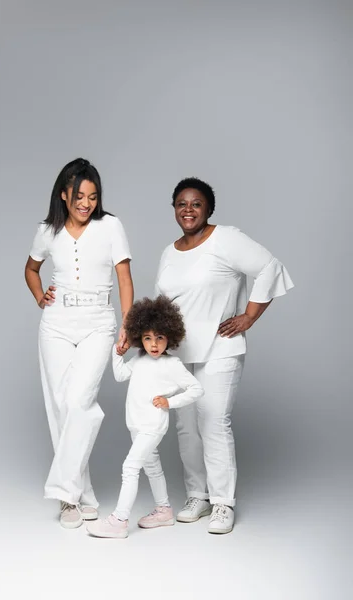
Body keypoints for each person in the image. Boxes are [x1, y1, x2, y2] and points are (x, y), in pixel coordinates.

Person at [155, 177, 294, 534]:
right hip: (178, 353)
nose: (188, 209)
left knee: (213, 422)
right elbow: (162, 304)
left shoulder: (225, 238)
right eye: (182, 203)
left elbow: (268, 267)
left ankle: (222, 503)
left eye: (196, 203)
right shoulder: (169, 253)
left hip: (220, 349)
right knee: (186, 429)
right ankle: (197, 496)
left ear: (208, 209)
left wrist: (249, 316)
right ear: (174, 209)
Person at [24, 158, 134, 529]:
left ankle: (63, 492)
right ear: (63, 195)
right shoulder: (47, 230)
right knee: (61, 407)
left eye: (93, 196)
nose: (86, 203)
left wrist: (128, 323)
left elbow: (124, 279)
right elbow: (31, 268)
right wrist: (41, 296)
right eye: (79, 196)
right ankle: (79, 498)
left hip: (97, 323)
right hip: (55, 324)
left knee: (79, 400)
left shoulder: (110, 226)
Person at [86, 296, 204, 538]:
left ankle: (119, 520)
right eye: (148, 338)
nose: (153, 344)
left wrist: (169, 402)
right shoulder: (139, 358)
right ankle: (164, 511)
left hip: (152, 425)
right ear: (139, 336)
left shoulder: (172, 364)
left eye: (159, 337)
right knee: (152, 466)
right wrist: (118, 353)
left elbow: (196, 389)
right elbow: (120, 375)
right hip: (135, 423)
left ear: (170, 336)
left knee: (130, 466)